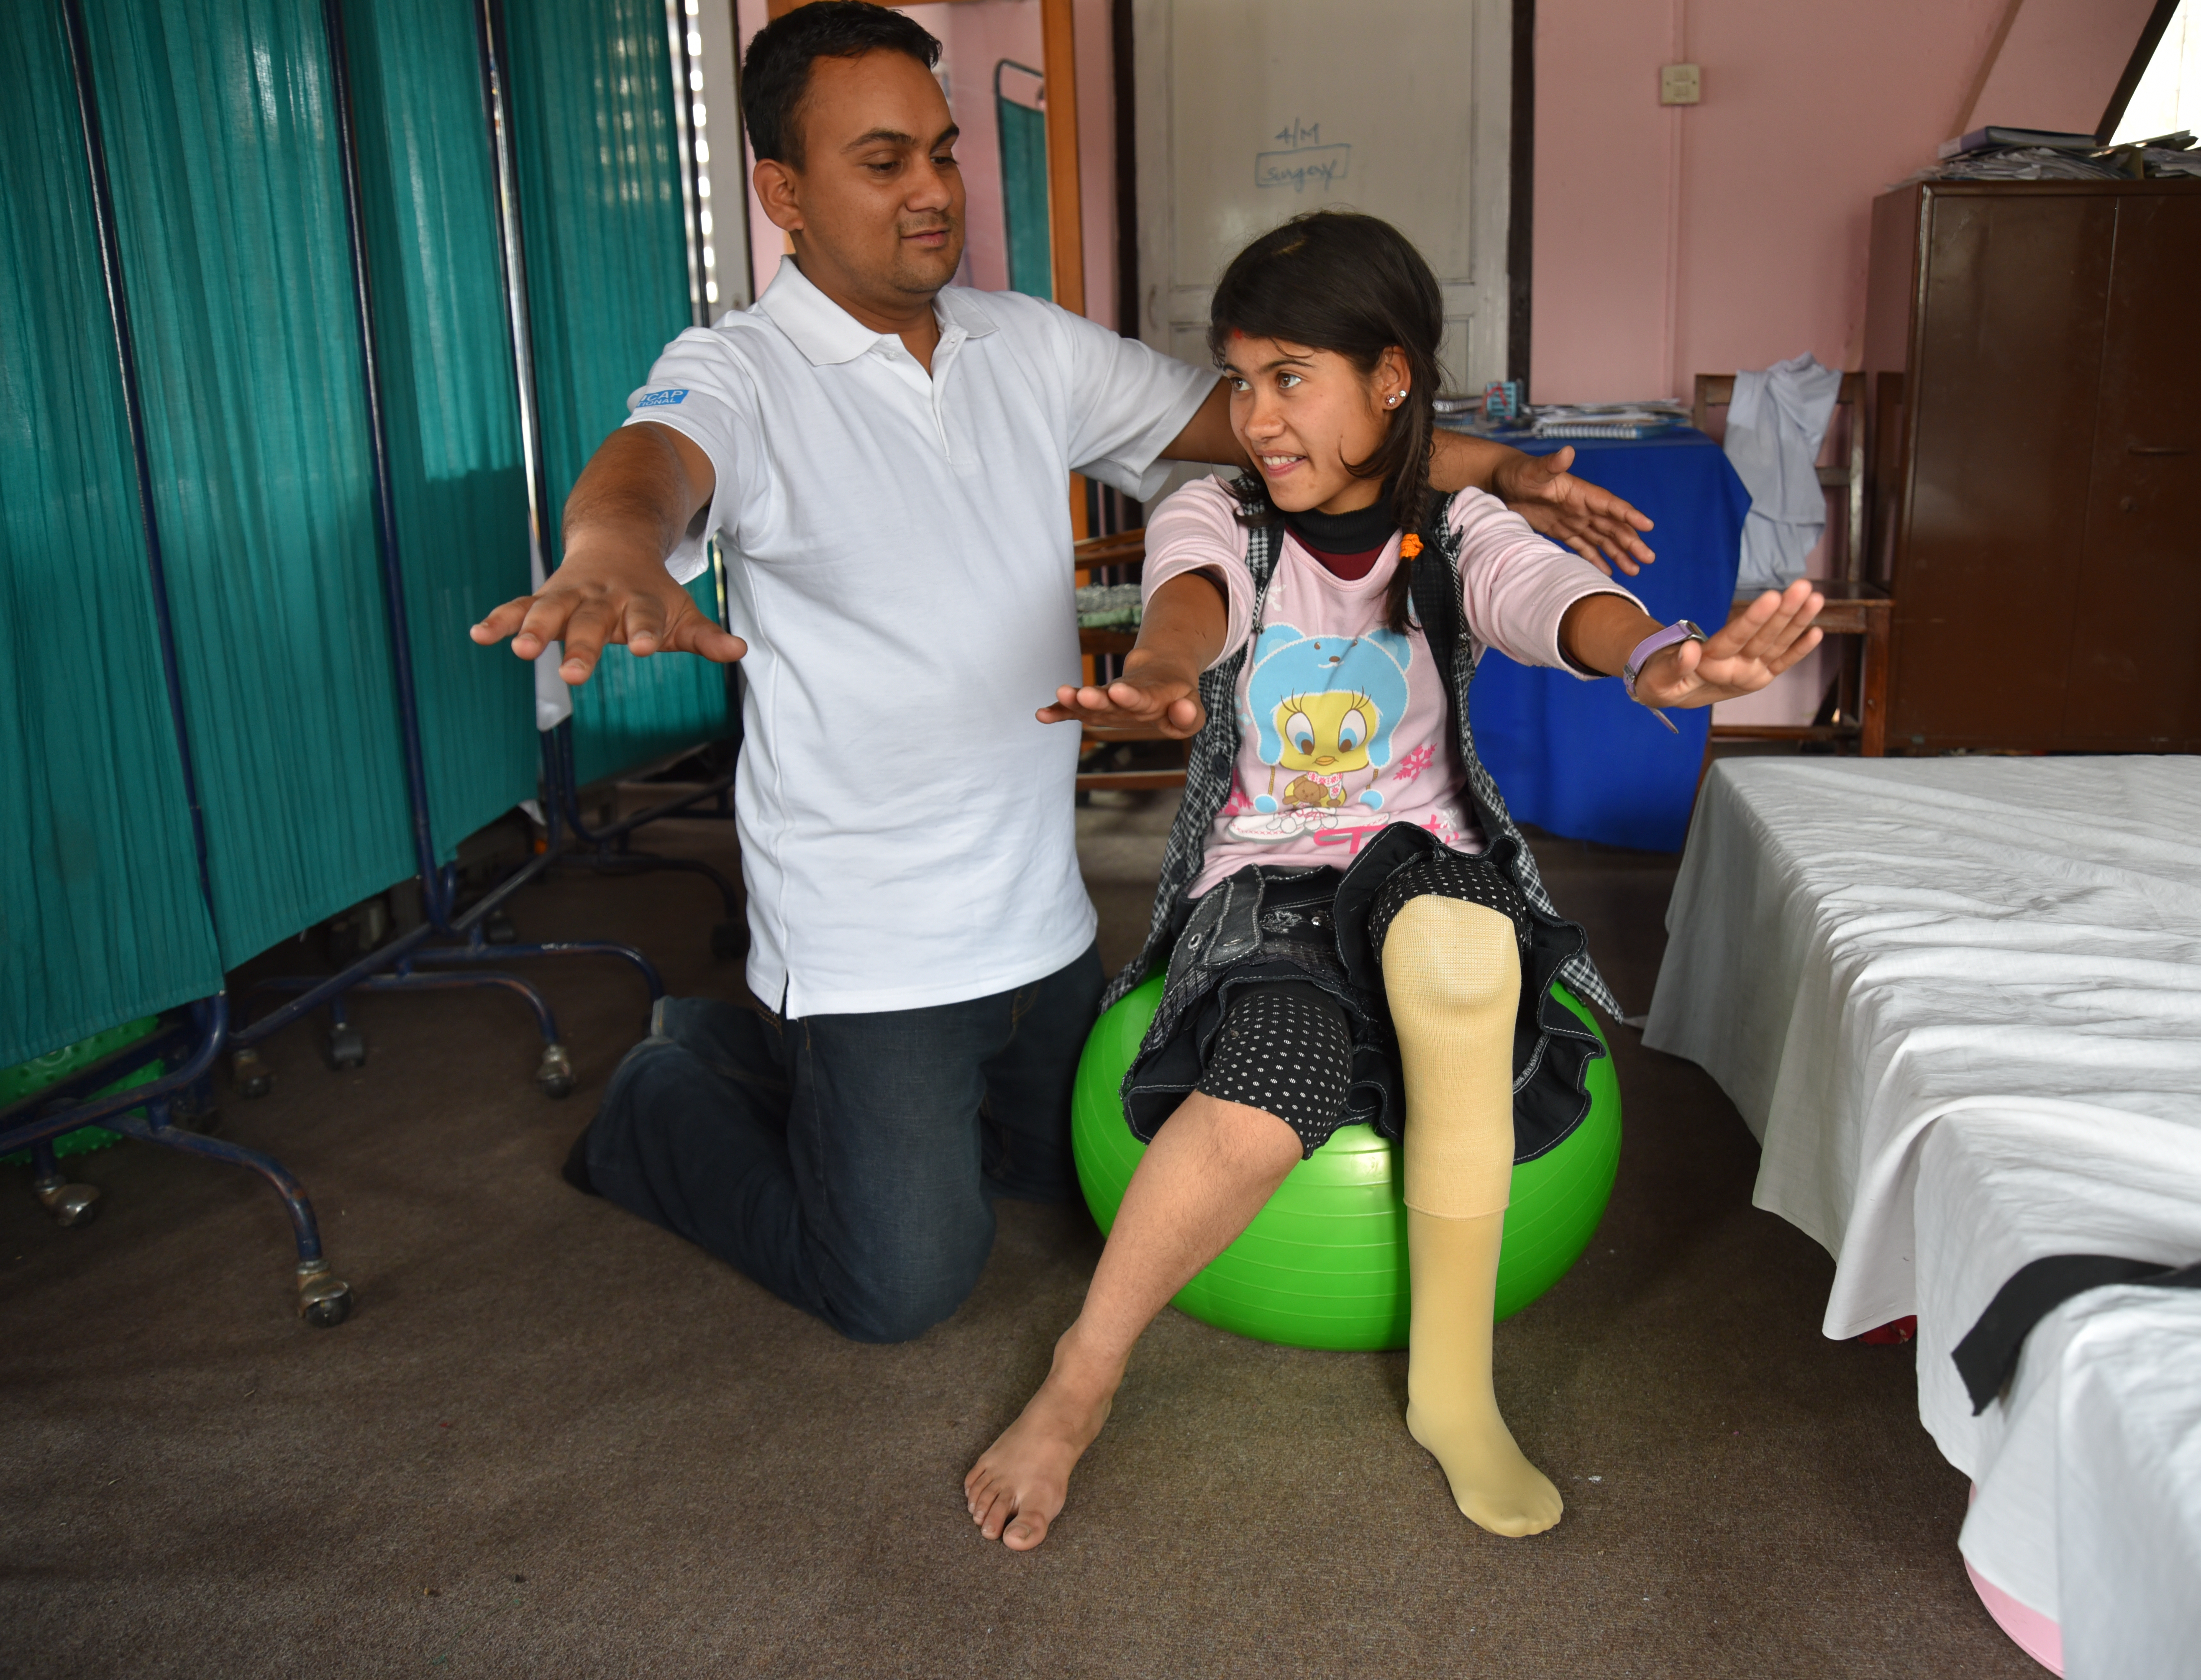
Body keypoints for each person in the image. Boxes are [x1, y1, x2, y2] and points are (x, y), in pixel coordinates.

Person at [467, 3, 1658, 1345]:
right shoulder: (738, 371)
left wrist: (1493, 470)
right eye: (882, 162)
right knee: (902, 1287)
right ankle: (662, 1100)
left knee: (1064, 1182)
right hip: (875, 945)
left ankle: (753, 1050)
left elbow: (1279, 434)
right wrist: (608, 551)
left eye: (942, 150)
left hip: (1037, 919)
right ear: (780, 192)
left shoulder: (1018, 343)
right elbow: (654, 465)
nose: (932, 192)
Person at [963, 211, 1824, 1549]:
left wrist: (1660, 658)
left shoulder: (1457, 527)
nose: (1253, 417)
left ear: (1392, 380)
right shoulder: (1220, 512)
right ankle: (1081, 1380)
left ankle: (1454, 1390)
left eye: (1289, 378)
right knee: (1270, 1088)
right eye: (1239, 381)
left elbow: (1551, 601)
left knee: (1455, 946)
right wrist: (1163, 669)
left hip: (1425, 867)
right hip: (1267, 888)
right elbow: (1190, 596)